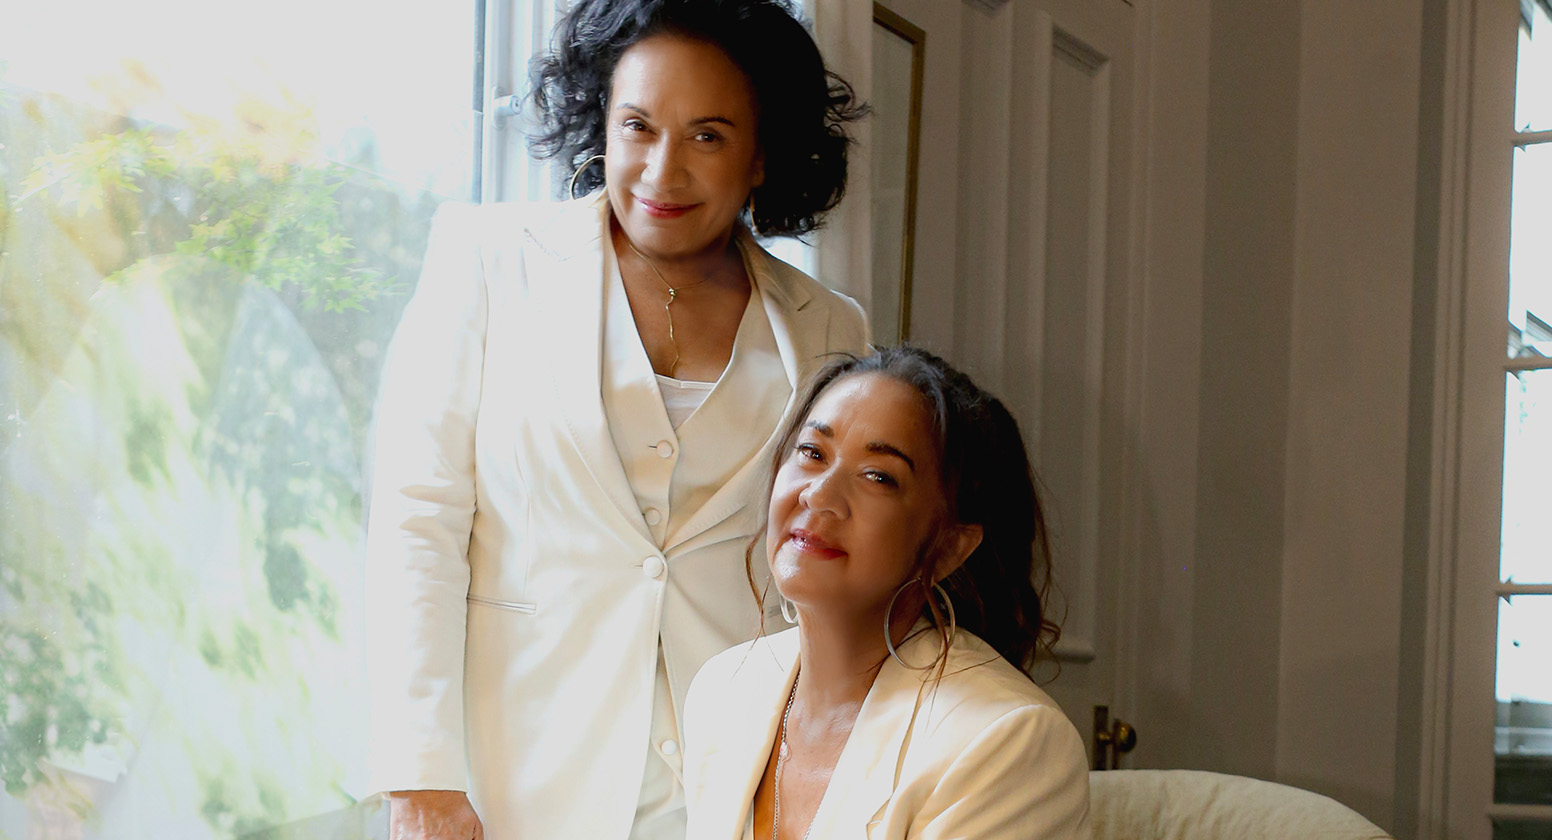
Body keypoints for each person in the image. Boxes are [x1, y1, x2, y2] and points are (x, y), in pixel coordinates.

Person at [362, 1, 867, 838]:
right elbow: (419, 519)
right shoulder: (487, 261)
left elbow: (823, 576)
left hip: (730, 788)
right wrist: (420, 777)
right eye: (638, 127)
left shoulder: (829, 327)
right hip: (513, 779)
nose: (660, 173)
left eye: (707, 136)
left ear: (762, 153)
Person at [681, 347, 1091, 840]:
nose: (819, 496)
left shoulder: (1006, 740)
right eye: (812, 453)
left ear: (948, 548)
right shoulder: (724, 690)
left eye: (879, 477)